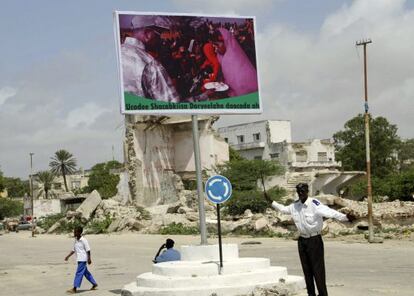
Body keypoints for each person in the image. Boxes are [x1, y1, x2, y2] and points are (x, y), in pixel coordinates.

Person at [267, 183, 355, 296]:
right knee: (307, 270)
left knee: (318, 270)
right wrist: (271, 201)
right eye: (299, 191)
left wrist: (345, 217)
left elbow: (330, 212)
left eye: (303, 191)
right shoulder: (295, 206)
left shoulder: (314, 204)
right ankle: (311, 294)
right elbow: (283, 209)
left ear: (307, 191)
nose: (300, 193)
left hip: (314, 240)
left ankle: (323, 294)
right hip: (302, 240)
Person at [121, 15, 210, 103]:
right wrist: (204, 96)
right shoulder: (150, 64)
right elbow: (173, 107)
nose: (161, 39)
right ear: (147, 34)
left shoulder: (118, 51)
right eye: (159, 35)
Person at [215, 28, 258, 97]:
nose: (216, 49)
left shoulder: (234, 55)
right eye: (215, 46)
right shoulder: (221, 57)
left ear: (226, 41)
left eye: (217, 45)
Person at [65, 226, 98, 294]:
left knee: (78, 273)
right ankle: (94, 284)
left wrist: (89, 259)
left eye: (75, 232)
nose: (74, 233)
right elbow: (73, 250)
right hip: (79, 259)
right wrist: (68, 256)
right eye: (74, 232)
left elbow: (88, 250)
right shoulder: (76, 240)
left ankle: (74, 288)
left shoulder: (84, 240)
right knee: (86, 273)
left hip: (83, 259)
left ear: (80, 232)